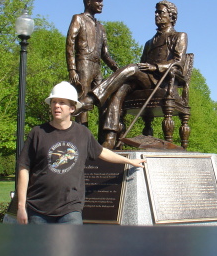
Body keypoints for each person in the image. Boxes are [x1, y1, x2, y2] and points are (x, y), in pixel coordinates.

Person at [16, 81, 145, 224]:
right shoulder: (38, 133)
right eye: (54, 102)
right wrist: (21, 206)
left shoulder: (82, 133)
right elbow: (24, 168)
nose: (57, 106)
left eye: (62, 102)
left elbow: (102, 152)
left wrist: (129, 161)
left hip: (70, 210)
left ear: (72, 108)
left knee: (72, 247)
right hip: (38, 210)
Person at [78, 0, 188, 148]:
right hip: (145, 81)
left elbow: (179, 63)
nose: (156, 15)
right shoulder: (150, 42)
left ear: (171, 16)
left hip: (163, 80)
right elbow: (141, 66)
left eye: (160, 12)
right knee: (120, 89)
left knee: (131, 68)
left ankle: (91, 98)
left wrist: (154, 67)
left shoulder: (179, 36)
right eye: (156, 12)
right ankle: (110, 138)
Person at [66, 0, 119, 127]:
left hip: (97, 67)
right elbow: (70, 43)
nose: (101, 4)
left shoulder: (101, 27)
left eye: (101, 1)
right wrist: (72, 69)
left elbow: (105, 53)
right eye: (98, 1)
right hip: (83, 64)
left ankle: (104, 137)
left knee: (104, 100)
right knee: (82, 101)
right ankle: (81, 133)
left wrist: (116, 68)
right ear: (89, 2)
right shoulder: (79, 18)